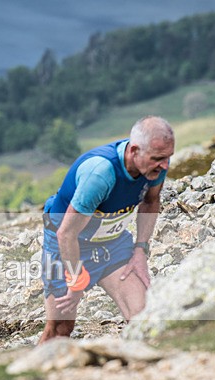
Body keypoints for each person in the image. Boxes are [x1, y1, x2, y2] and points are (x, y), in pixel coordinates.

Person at [39, 115, 175, 342]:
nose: (165, 166)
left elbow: (151, 201)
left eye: (168, 158)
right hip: (66, 245)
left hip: (111, 244)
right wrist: (76, 282)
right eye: (158, 159)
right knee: (60, 330)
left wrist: (141, 249)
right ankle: (31, 373)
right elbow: (66, 233)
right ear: (134, 151)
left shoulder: (154, 166)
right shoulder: (101, 174)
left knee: (143, 318)